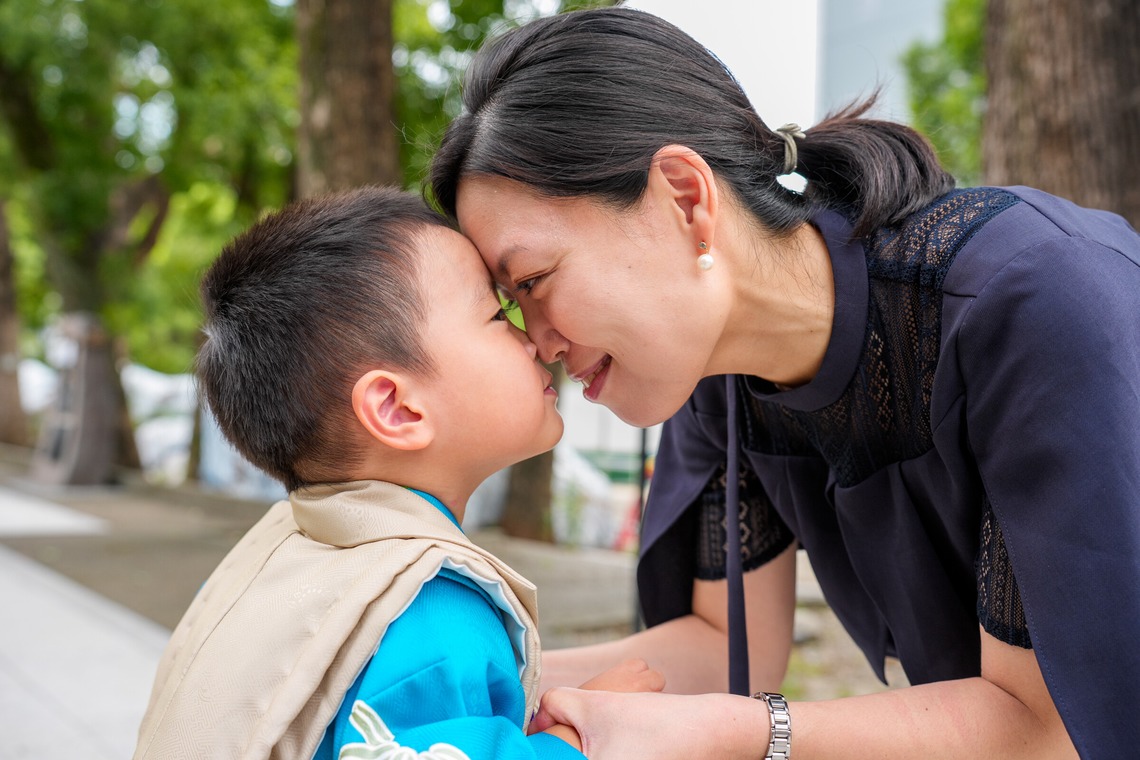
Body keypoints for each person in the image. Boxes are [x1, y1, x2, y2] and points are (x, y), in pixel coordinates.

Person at [428, 7, 1140, 759]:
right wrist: (456, 679)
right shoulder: (716, 380)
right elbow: (720, 644)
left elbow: (1048, 724)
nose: (535, 342)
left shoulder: (1031, 298)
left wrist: (755, 732)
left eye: (534, 280)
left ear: (685, 199)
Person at [132, 186, 663, 760]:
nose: (533, 339)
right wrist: (582, 736)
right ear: (397, 409)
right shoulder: (428, 605)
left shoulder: (286, 558)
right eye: (495, 313)